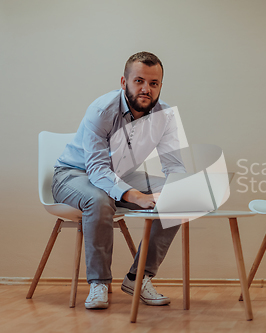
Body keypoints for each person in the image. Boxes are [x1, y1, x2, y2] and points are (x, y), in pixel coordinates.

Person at [52, 51, 185, 309]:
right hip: (73, 174)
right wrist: (135, 195)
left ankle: (138, 278)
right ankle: (99, 283)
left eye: (154, 83)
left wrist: (182, 192)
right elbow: (97, 168)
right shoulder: (102, 110)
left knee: (178, 199)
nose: (146, 89)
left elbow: (174, 166)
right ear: (124, 82)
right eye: (139, 81)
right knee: (100, 199)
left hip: (119, 175)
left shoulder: (165, 116)